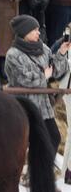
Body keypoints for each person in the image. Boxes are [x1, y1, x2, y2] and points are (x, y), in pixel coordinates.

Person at [5, 15, 69, 154]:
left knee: (54, 138)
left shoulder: (44, 48)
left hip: (45, 107)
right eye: (34, 30)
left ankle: (40, 173)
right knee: (30, 143)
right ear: (24, 31)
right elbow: (23, 79)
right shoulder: (13, 54)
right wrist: (44, 76)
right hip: (26, 107)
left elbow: (56, 71)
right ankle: (34, 173)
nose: (38, 33)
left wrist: (62, 52)